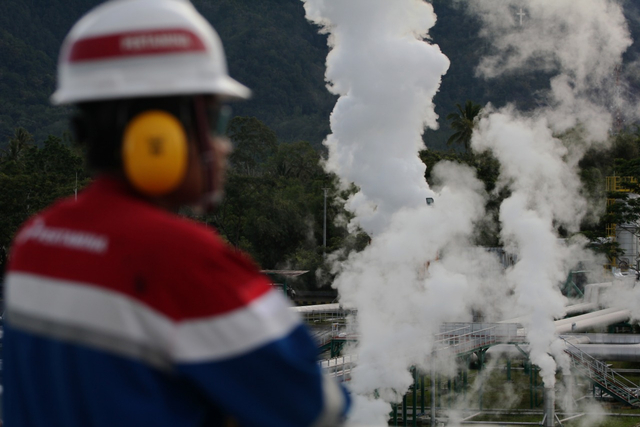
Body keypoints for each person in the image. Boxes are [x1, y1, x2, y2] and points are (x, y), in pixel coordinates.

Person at [2, 1, 350, 426]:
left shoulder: (34, 239)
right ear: (158, 134)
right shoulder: (181, 259)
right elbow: (318, 407)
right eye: (217, 121)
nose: (225, 146)